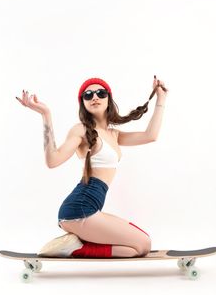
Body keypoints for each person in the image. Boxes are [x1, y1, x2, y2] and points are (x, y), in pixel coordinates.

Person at [15, 76, 168, 258]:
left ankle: (75, 245)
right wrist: (46, 115)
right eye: (88, 95)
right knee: (144, 243)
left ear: (108, 99)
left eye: (100, 93)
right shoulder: (80, 130)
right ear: (83, 103)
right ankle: (75, 248)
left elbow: (150, 135)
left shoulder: (114, 134)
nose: (94, 97)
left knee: (138, 248)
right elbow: (53, 161)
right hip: (79, 209)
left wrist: (161, 98)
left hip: (90, 209)